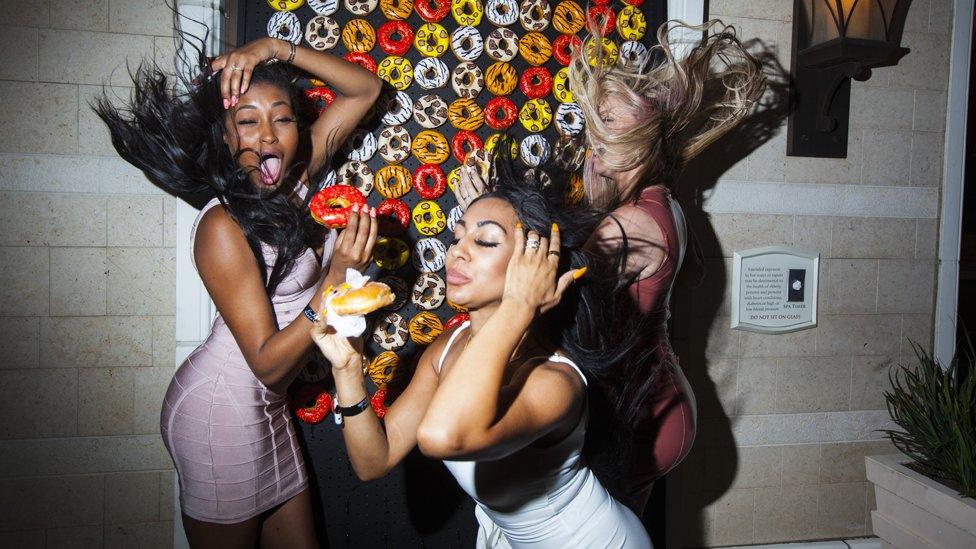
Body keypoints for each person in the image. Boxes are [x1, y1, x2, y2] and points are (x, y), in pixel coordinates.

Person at [454, 21, 766, 512]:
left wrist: (490, 217)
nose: (592, 143)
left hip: (643, 410)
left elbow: (549, 277)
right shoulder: (657, 199)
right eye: (594, 123)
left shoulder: (636, 219)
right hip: (648, 397)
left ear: (642, 144)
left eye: (608, 126)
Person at [95, 33, 382, 547]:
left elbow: (364, 90)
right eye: (248, 122)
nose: (269, 135)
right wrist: (336, 278)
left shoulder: (296, 182)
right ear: (226, 139)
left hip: (266, 410)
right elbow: (268, 363)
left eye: (283, 117)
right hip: (218, 413)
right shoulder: (221, 228)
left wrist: (274, 48)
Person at [312, 165, 653, 548]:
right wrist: (346, 372)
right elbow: (374, 460)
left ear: (534, 267)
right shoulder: (448, 346)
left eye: (486, 241)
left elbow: (441, 434)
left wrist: (521, 304)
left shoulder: (554, 382)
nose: (457, 251)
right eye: (458, 237)